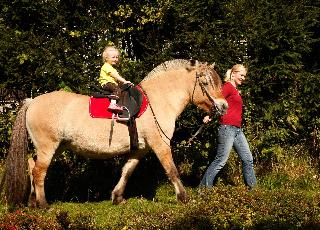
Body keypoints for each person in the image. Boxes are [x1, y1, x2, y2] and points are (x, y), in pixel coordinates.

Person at [199, 64, 257, 189]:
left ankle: (253, 190)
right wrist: (209, 115)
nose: (243, 78)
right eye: (241, 75)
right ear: (233, 74)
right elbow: (217, 102)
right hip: (227, 128)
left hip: (237, 129)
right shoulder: (228, 87)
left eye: (244, 76)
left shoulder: (235, 90)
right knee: (221, 160)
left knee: (248, 159)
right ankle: (204, 189)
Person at [98, 46, 133, 113]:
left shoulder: (112, 68)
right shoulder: (106, 66)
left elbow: (116, 79)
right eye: (113, 57)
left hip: (111, 83)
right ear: (106, 58)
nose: (116, 59)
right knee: (117, 90)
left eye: (117, 57)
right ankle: (113, 104)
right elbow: (116, 76)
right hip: (106, 83)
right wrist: (125, 81)